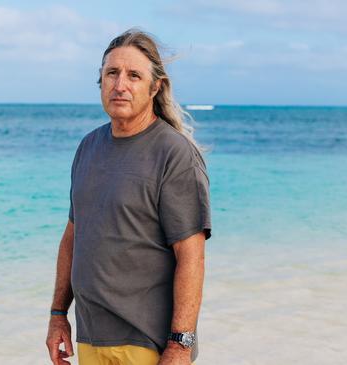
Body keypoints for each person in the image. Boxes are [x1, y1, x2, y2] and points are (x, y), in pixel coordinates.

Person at [46, 28, 212, 365]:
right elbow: (73, 237)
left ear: (155, 87)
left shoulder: (174, 154)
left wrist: (180, 345)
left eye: (133, 75)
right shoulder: (88, 148)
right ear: (101, 82)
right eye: (112, 73)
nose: (120, 85)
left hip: (146, 343)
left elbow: (191, 255)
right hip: (90, 337)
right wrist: (58, 314)